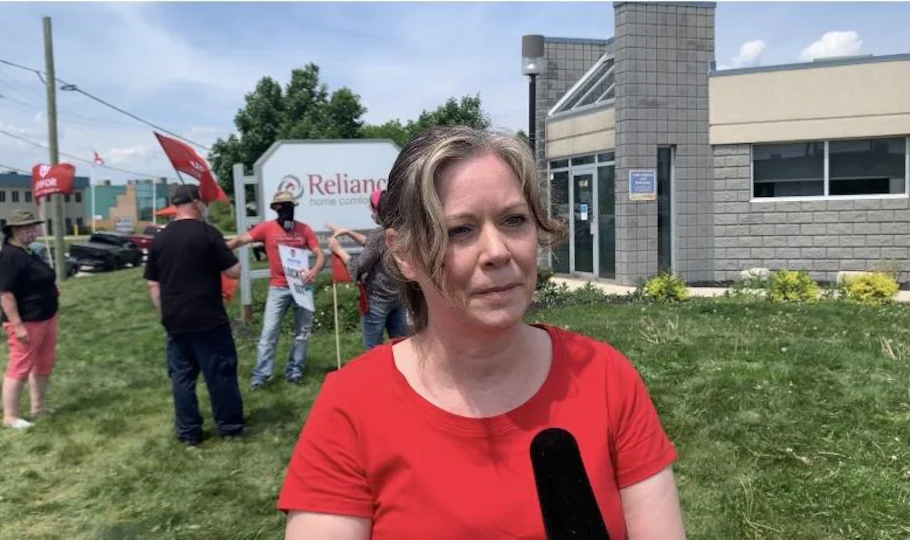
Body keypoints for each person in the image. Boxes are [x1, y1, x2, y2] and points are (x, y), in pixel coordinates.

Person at [277, 126, 685, 539]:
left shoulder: (605, 378)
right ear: (404, 254)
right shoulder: (351, 407)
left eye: (513, 220)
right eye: (460, 230)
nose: (497, 252)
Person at [144, 184, 245, 446]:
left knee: (182, 378)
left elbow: (152, 284)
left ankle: (189, 432)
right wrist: (223, 250)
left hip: (175, 320)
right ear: (196, 202)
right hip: (208, 317)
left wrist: (164, 315)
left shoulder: (160, 239)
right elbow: (234, 272)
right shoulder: (207, 233)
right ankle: (230, 426)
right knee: (220, 373)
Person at [226, 191, 325, 388]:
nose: (288, 210)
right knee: (269, 332)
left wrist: (314, 270)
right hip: (278, 288)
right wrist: (218, 250)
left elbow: (319, 254)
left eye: (291, 206)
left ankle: (295, 371)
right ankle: (260, 376)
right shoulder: (267, 228)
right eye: (283, 206)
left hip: (302, 288)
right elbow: (241, 240)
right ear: (276, 209)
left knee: (302, 332)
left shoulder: (304, 229)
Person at [0, 210, 59, 429]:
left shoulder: (28, 252)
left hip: (45, 316)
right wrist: (17, 325)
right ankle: (10, 417)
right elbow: (5, 294)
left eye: (34, 226)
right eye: (28, 227)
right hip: (27, 320)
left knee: (44, 363)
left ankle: (38, 407)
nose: (34, 231)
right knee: (19, 366)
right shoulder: (10, 256)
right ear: (15, 230)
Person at [325, 189, 408, 350]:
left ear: (378, 211)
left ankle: (374, 375)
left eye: (372, 208)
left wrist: (339, 250)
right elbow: (377, 247)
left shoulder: (378, 235)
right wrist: (349, 232)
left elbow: (357, 268)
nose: (371, 212)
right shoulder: (400, 230)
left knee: (372, 350)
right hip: (399, 298)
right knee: (401, 347)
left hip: (376, 301)